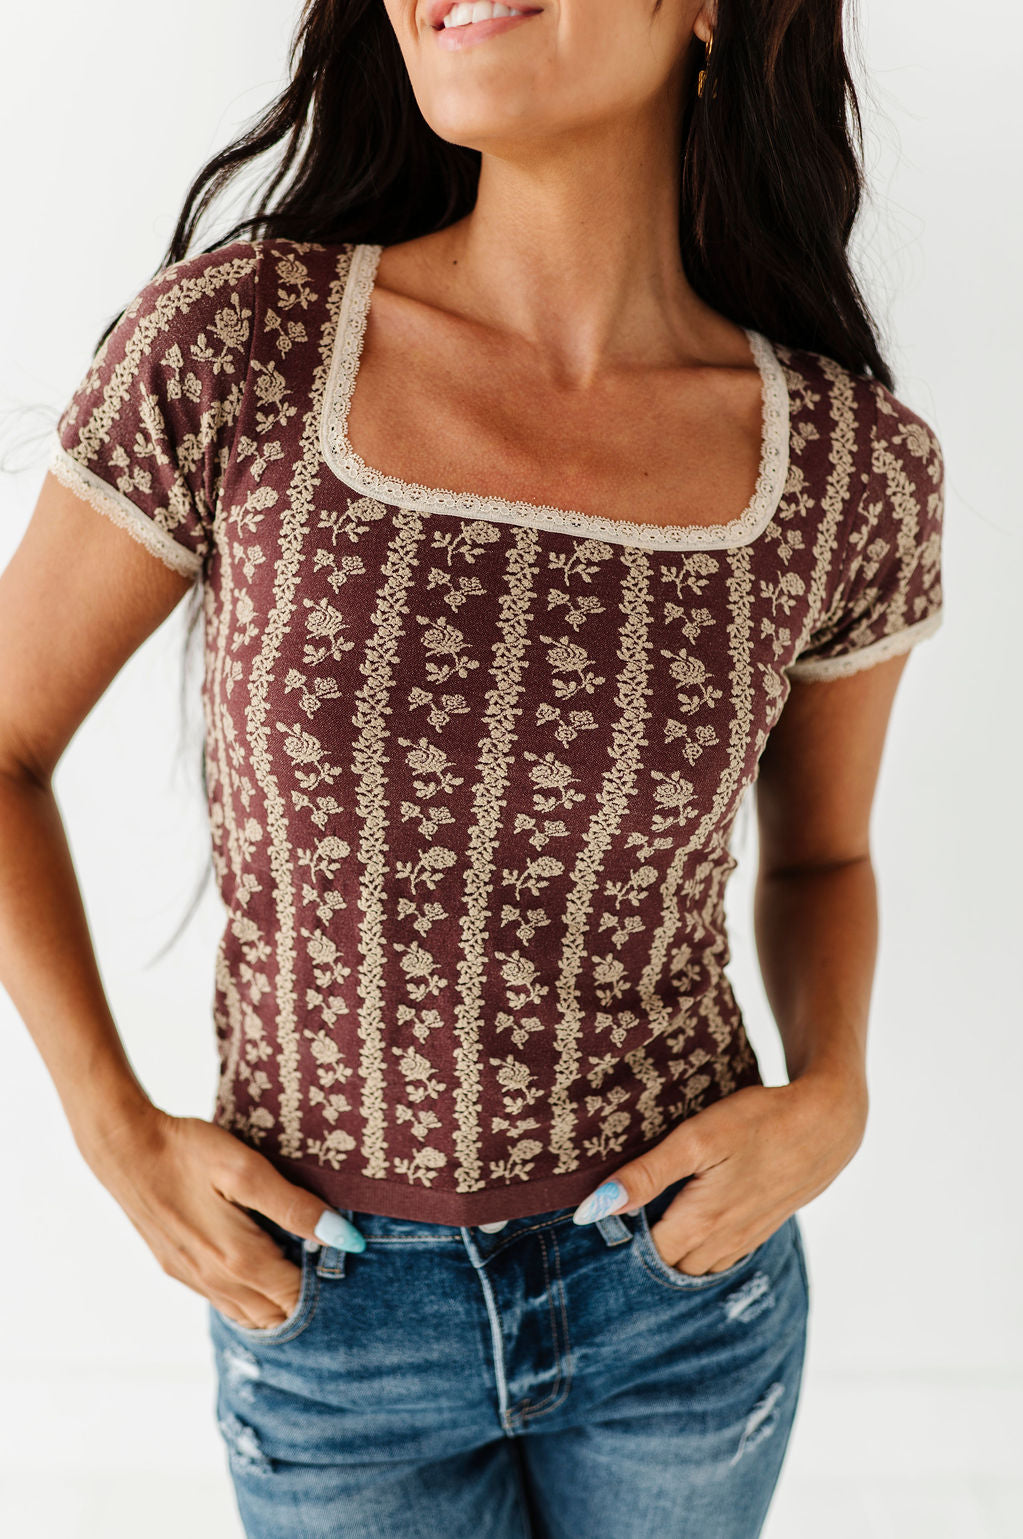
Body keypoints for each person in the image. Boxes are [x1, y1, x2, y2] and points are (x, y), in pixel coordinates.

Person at [0, 0, 946, 1534]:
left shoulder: (849, 471)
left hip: (683, 1297)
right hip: (332, 1317)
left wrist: (833, 1090)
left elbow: (826, 855)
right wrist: (113, 1133)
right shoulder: (244, 347)